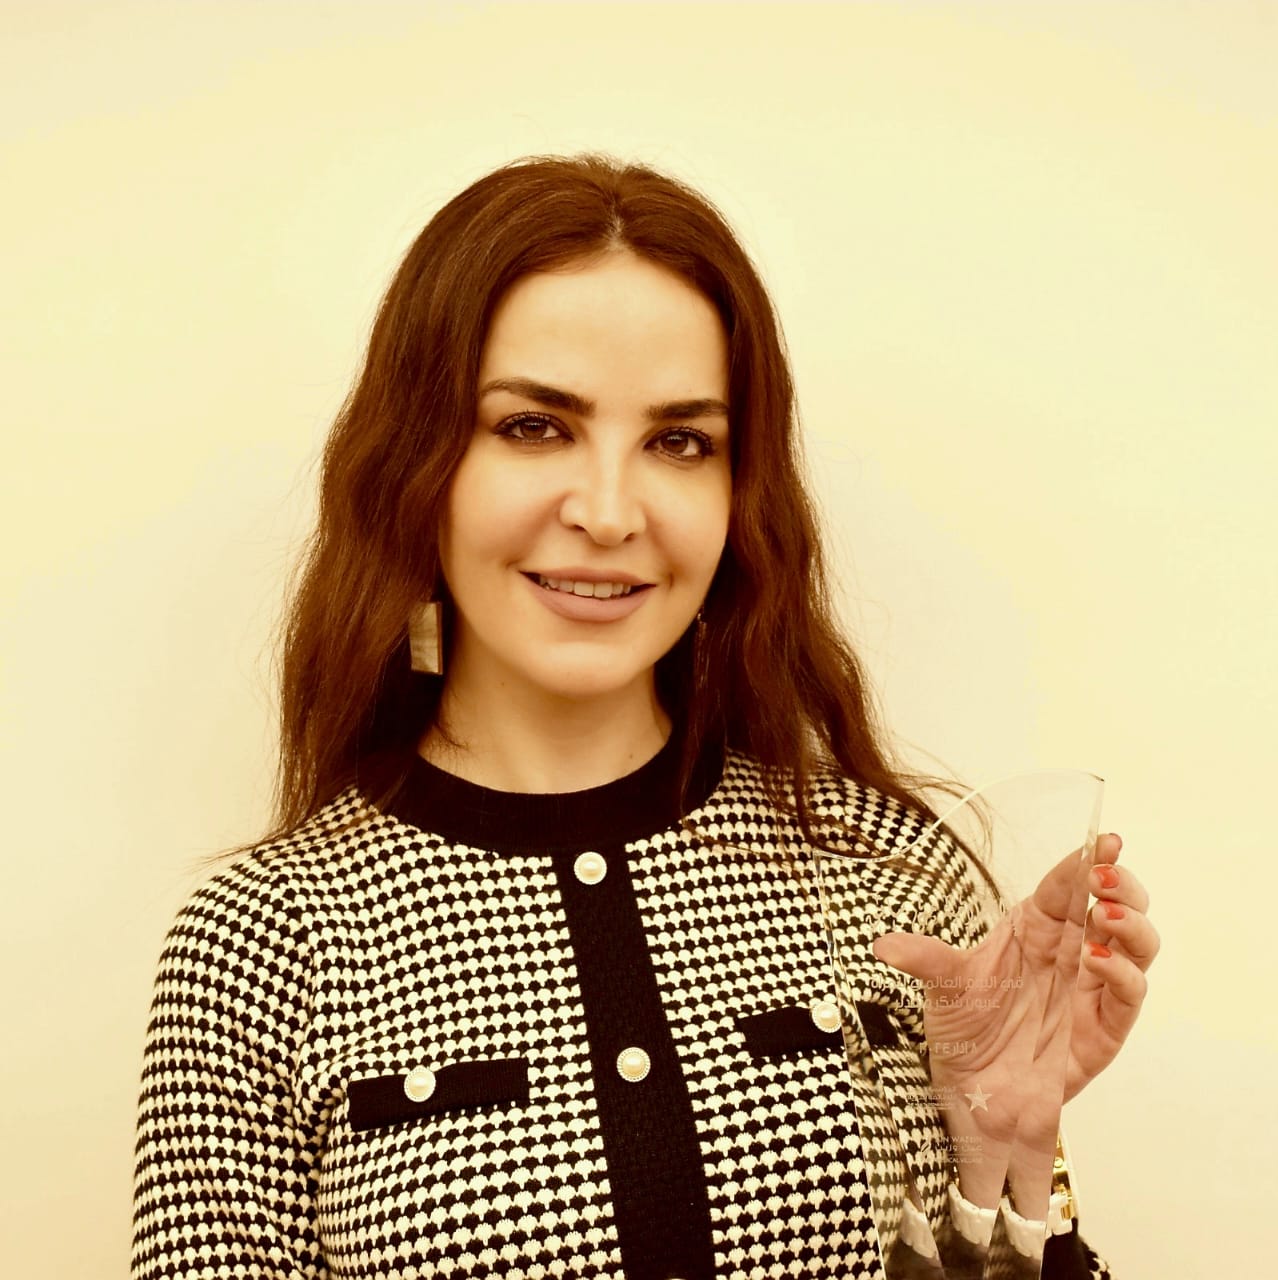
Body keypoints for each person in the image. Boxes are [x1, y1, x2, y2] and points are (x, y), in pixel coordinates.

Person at [131, 155, 1158, 1279]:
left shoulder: (893, 875)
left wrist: (1004, 1159)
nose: (611, 512)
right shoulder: (260, 942)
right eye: (534, 426)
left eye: (680, 441)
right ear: (417, 467)